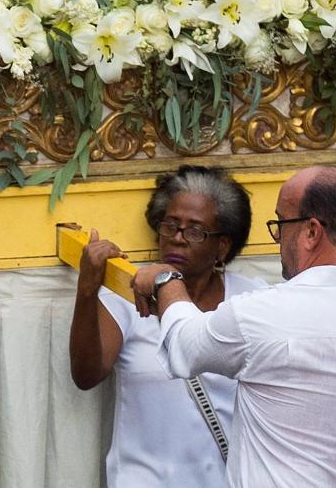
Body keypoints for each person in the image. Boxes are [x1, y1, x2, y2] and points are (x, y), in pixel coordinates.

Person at [129, 165, 336, 488]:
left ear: (311, 231)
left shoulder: (261, 316)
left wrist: (166, 278)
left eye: (281, 224)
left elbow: (184, 346)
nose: (278, 238)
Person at [68, 166, 257, 488]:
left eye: (195, 231)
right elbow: (86, 375)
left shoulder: (250, 301)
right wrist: (87, 289)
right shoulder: (124, 298)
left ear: (222, 246)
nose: (178, 239)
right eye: (171, 226)